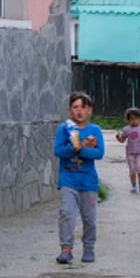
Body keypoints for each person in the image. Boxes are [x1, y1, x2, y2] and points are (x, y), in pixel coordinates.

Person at [53, 91, 105, 264]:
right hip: (68, 180)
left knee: (89, 218)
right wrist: (73, 148)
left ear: (89, 110)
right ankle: (66, 249)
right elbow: (58, 151)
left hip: (88, 182)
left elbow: (99, 153)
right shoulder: (64, 129)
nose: (79, 111)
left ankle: (89, 248)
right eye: (75, 107)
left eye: (83, 107)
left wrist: (81, 148)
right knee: (66, 213)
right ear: (69, 110)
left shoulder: (94, 130)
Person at [114, 106, 140, 193]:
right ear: (128, 120)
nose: (134, 120)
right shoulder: (126, 129)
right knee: (132, 170)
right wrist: (118, 138)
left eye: (136, 118)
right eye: (131, 119)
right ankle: (133, 186)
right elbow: (122, 140)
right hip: (130, 153)